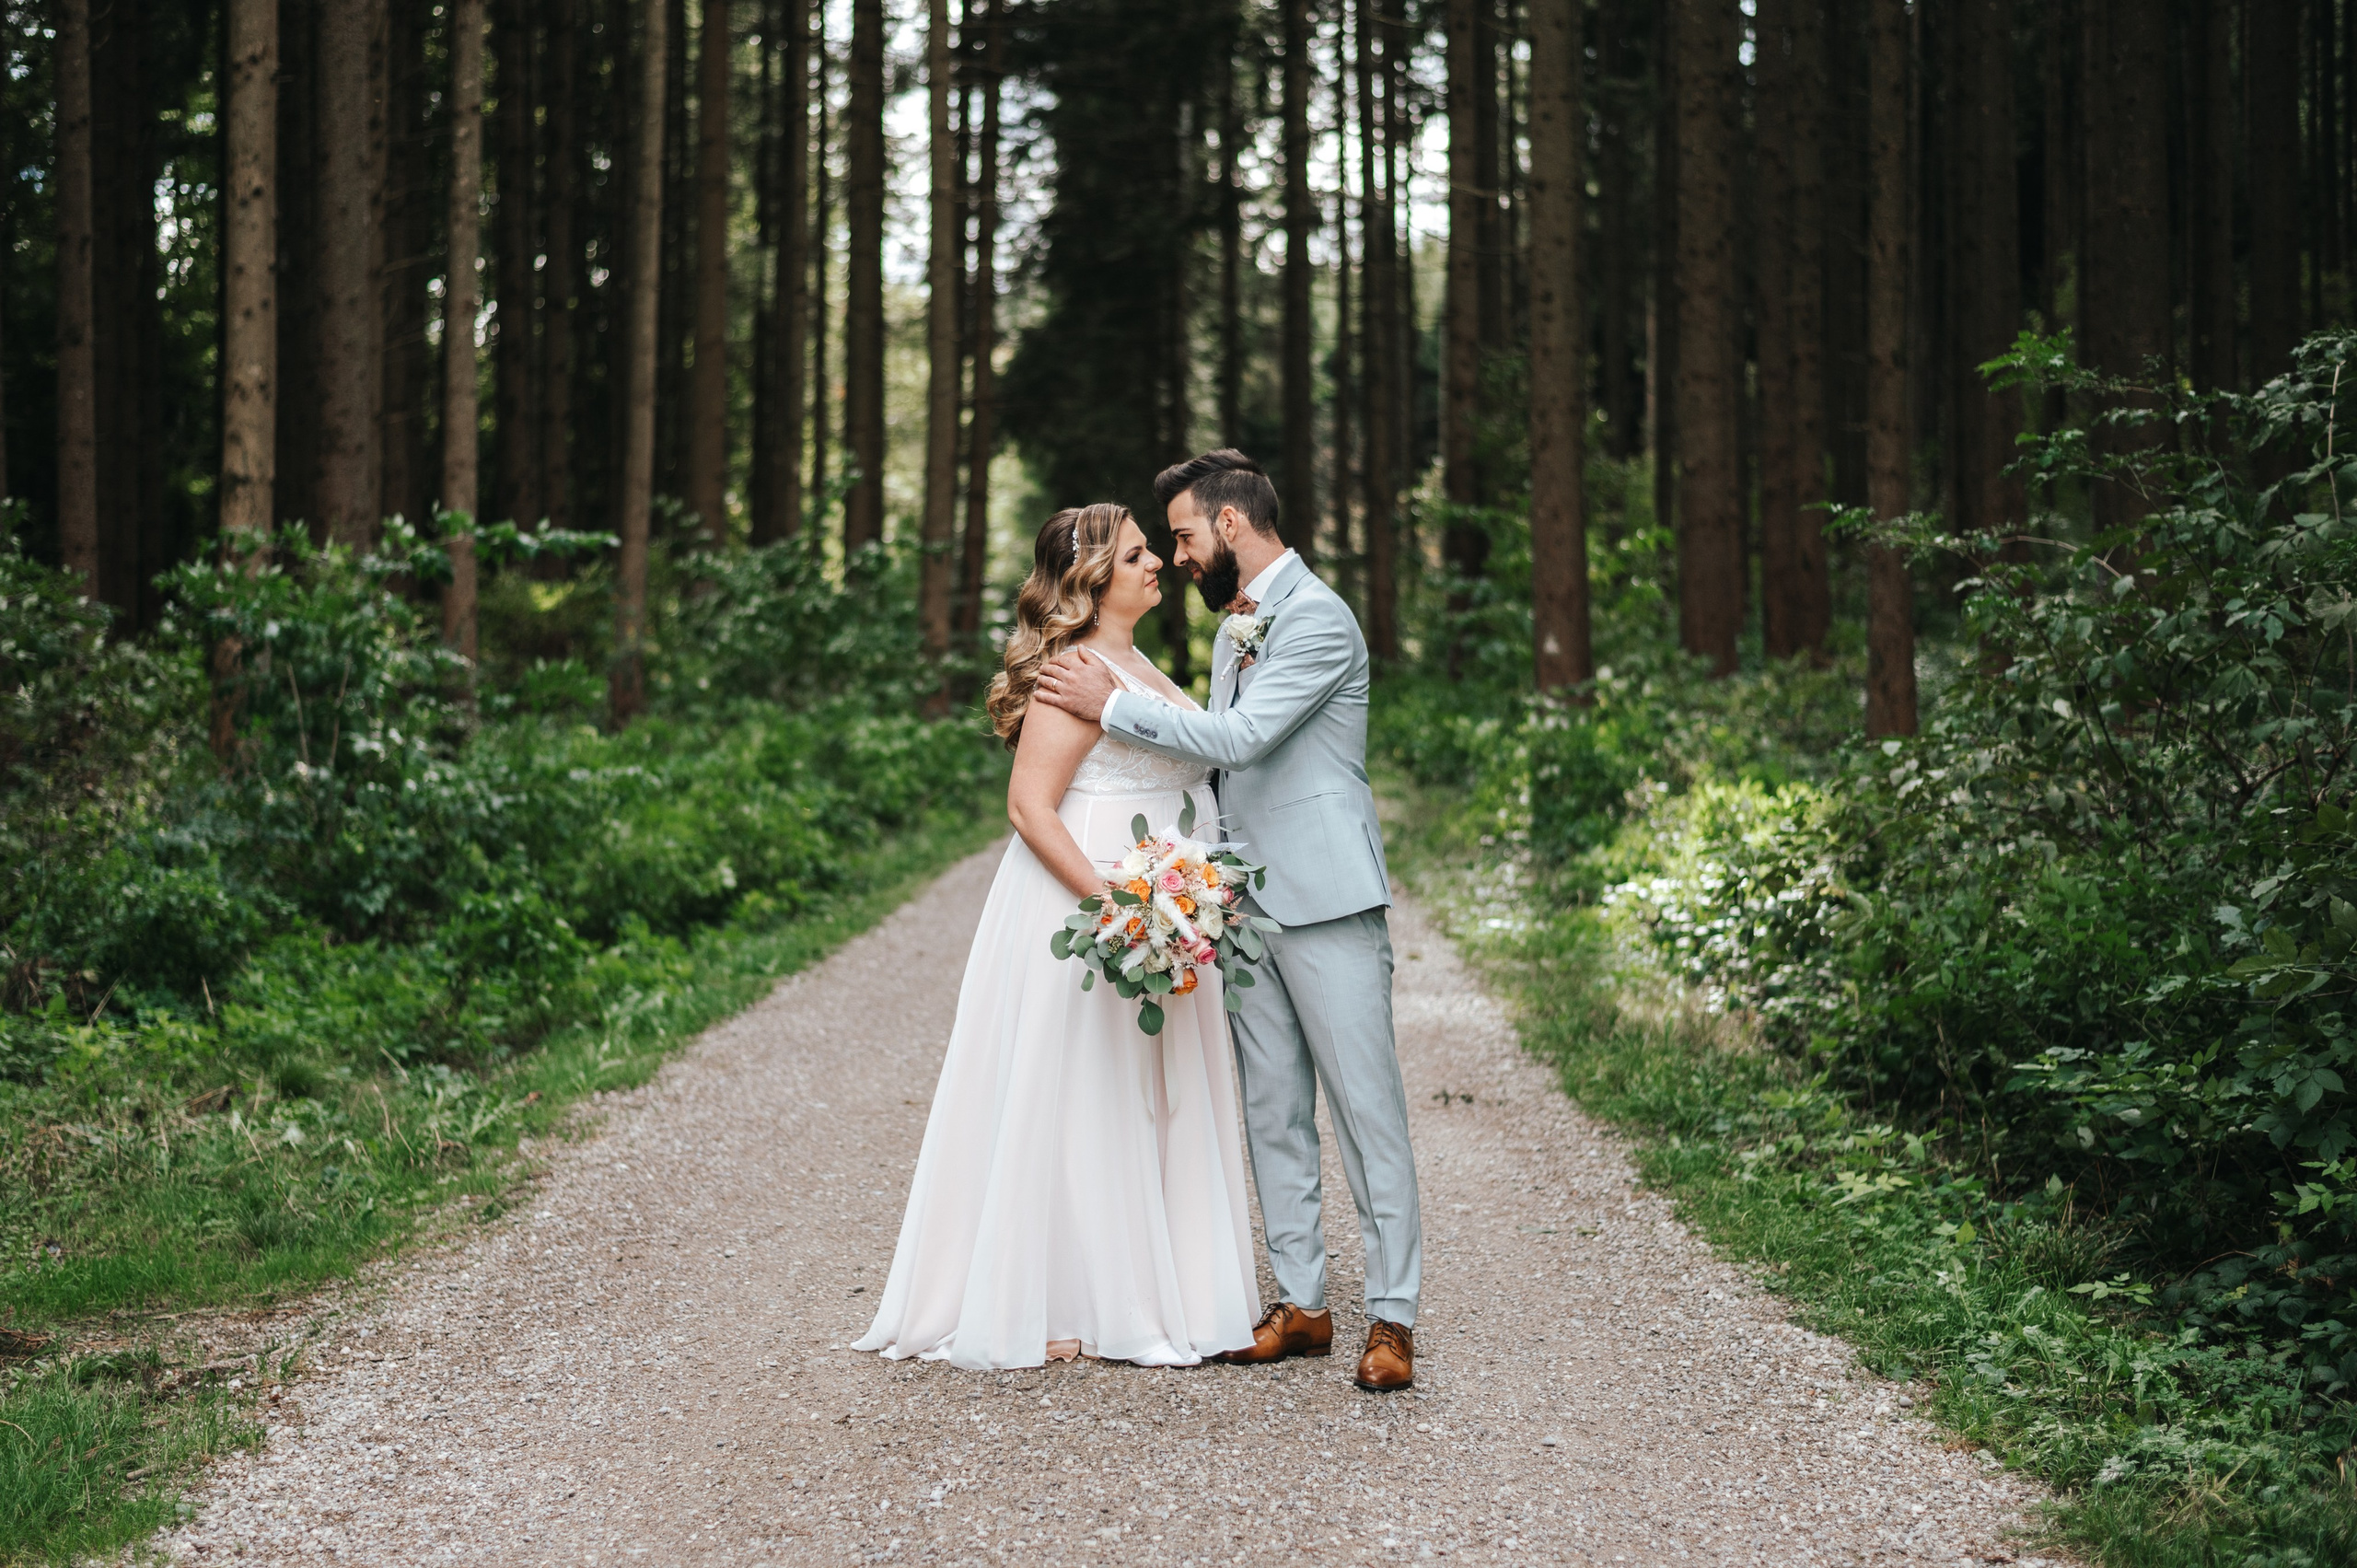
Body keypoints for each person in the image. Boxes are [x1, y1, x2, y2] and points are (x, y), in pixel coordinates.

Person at [1034, 449, 1422, 1393]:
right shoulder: (1234, 627)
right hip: (1243, 906)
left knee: (1365, 1109)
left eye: (1183, 535)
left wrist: (1113, 705)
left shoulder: (1318, 618)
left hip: (1326, 898)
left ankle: (1392, 1316)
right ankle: (1302, 1302)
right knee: (1271, 1109)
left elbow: (1242, 740)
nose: (1178, 556)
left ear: (1231, 523)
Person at [853, 503, 1260, 1369]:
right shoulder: (1073, 669)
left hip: (1164, 905)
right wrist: (1120, 909)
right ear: (1094, 579)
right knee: (1081, 1087)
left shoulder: (1137, 662)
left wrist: (1180, 900)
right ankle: (1064, 1296)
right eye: (1138, 555)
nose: (1158, 564)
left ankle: (1165, 1286)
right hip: (1092, 900)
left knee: (1142, 1086)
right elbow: (1029, 807)